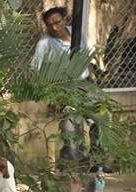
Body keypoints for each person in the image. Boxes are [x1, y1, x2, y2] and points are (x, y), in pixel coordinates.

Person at [31, 7, 108, 172]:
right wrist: (51, 91)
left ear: (64, 19)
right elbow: (34, 70)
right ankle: (71, 165)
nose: (54, 27)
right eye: (49, 25)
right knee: (71, 125)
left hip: (86, 82)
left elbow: (85, 56)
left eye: (57, 22)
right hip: (65, 87)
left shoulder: (76, 32)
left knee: (101, 117)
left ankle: (98, 160)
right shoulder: (45, 43)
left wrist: (91, 78)